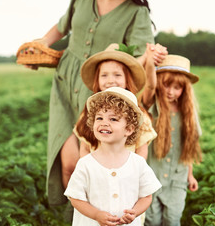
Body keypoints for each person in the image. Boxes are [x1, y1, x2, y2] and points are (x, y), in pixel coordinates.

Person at [23, 0, 165, 207]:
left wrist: (150, 56)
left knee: (83, 161)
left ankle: (100, 214)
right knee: (67, 163)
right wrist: (42, 42)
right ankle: (73, 217)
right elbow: (63, 25)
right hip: (65, 82)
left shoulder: (137, 10)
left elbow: (138, 58)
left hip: (100, 90)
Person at [64, 87, 162, 225]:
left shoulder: (137, 163)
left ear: (128, 129)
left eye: (113, 119)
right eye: (99, 118)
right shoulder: (86, 164)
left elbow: (146, 196)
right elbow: (76, 198)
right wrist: (96, 215)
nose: (104, 122)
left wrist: (135, 212)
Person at [74, 43, 166, 159]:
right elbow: (85, 148)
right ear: (97, 80)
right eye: (104, 75)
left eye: (117, 75)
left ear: (127, 80)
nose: (110, 80)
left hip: (126, 174)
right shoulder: (90, 112)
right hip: (97, 174)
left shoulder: (137, 114)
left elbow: (141, 152)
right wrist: (90, 169)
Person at [141, 54, 203, 226]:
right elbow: (149, 85)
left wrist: (190, 175)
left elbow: (189, 147)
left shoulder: (188, 114)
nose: (171, 91)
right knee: (151, 220)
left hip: (178, 178)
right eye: (167, 85)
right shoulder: (151, 107)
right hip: (152, 177)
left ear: (185, 89)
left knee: (172, 219)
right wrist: (150, 62)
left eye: (177, 87)